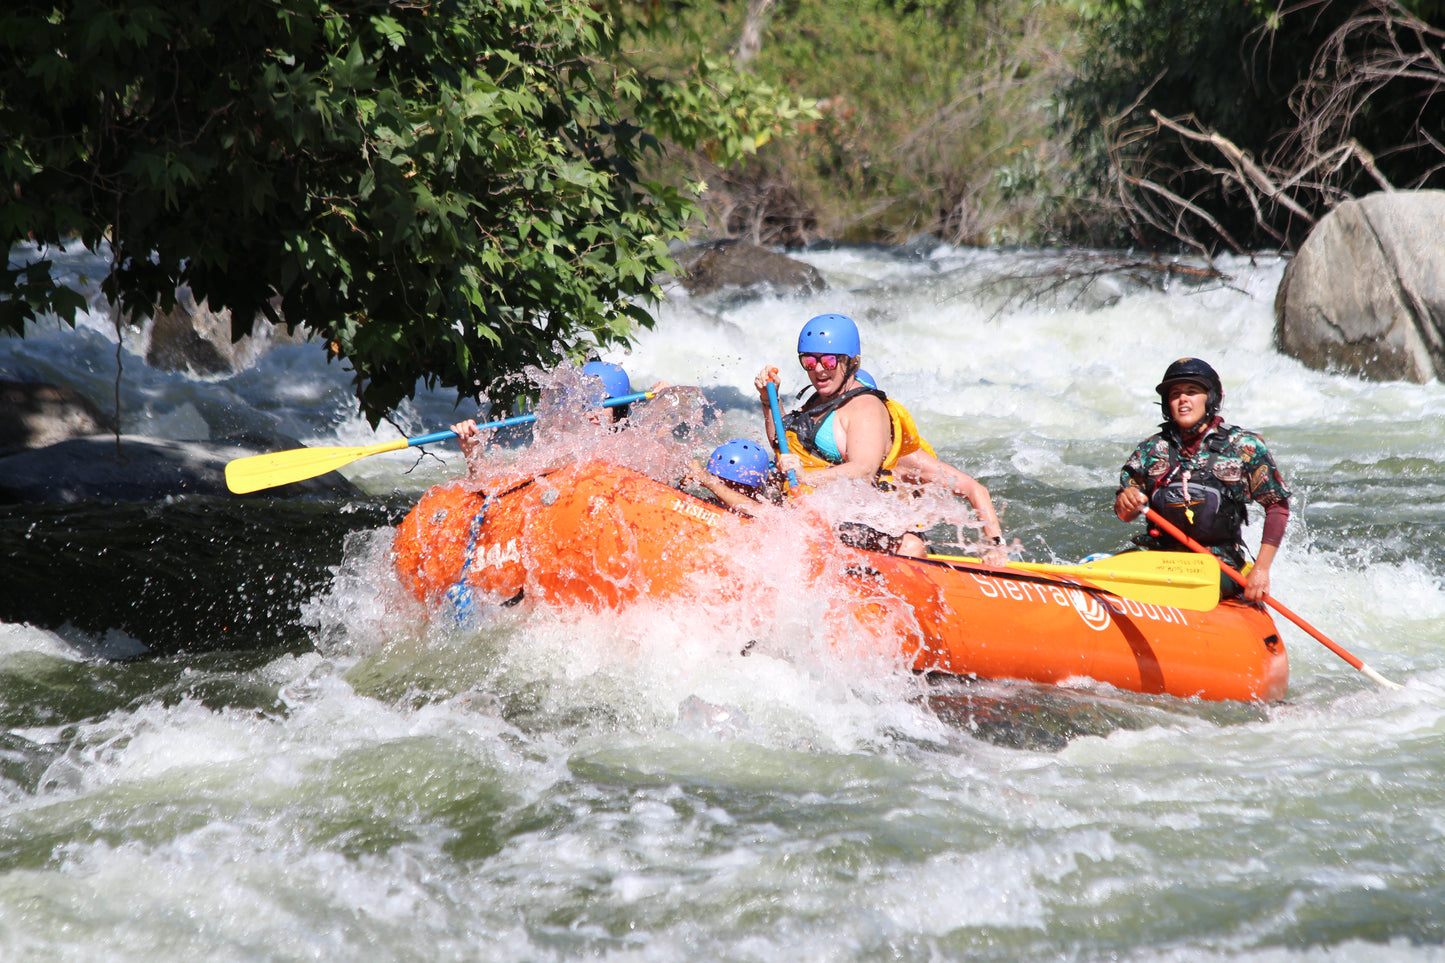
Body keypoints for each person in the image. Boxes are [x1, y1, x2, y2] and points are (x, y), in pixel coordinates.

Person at [1113, 357, 1291, 602]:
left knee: (1177, 590)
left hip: (1216, 563)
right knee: (1105, 578)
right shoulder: (1151, 450)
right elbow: (1125, 514)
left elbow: (1277, 507)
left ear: (1211, 398)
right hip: (1156, 556)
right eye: (1175, 394)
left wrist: (1261, 570)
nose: (1183, 399)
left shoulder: (1244, 447)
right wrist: (1127, 503)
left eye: (1192, 392)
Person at [754, 314, 928, 557]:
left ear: (852, 361)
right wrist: (767, 398)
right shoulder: (822, 400)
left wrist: (807, 477)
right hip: (817, 516)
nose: (818, 370)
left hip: (864, 525)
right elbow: (782, 443)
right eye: (809, 362)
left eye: (828, 361)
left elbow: (864, 470)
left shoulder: (865, 407)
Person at [855, 369, 1008, 564]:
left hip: (905, 548)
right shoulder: (827, 454)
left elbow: (974, 489)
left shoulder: (904, 458)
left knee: (911, 545)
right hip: (859, 540)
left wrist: (995, 546)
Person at [688, 438, 778, 516]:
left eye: (734, 484)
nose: (721, 488)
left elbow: (761, 511)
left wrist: (707, 480)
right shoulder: (709, 502)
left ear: (754, 490)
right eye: (719, 480)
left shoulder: (767, 514)